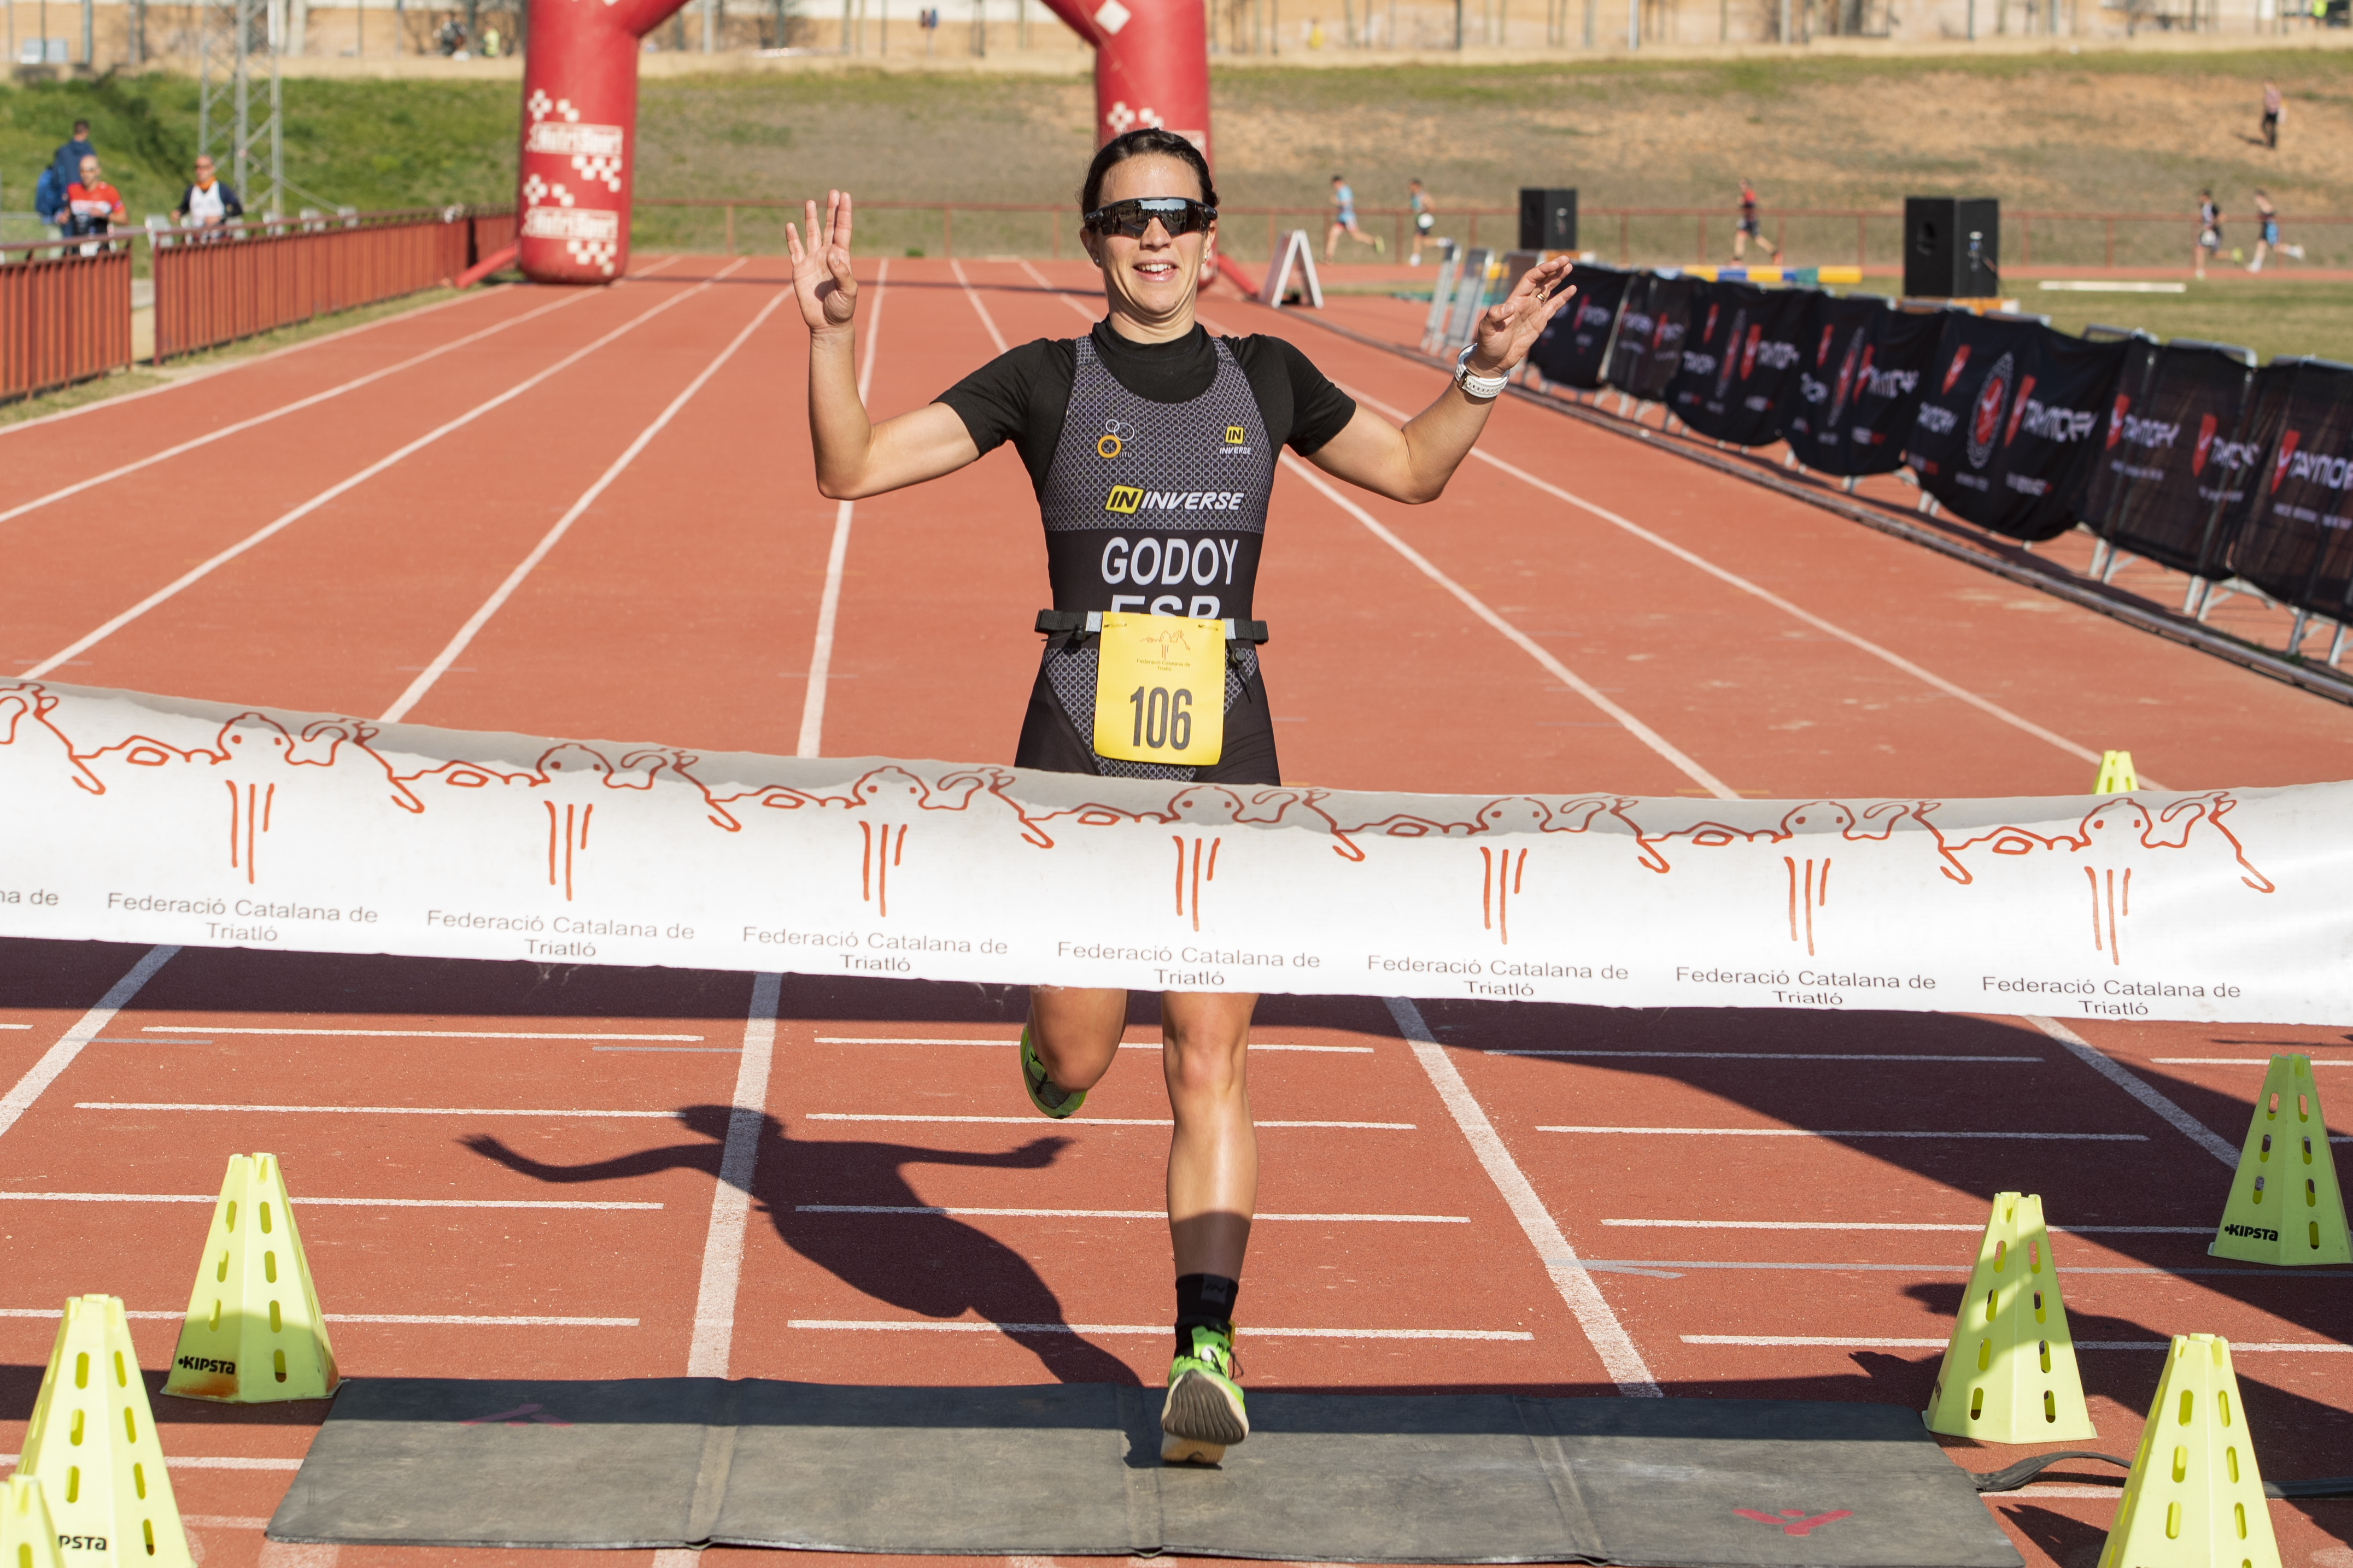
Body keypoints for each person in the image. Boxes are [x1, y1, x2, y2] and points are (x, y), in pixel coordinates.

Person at [785, 127, 1572, 1467]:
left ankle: (1203, 1344)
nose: (1152, 238)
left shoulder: (1265, 375)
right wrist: (827, 338)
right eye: (1124, 219)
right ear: (1091, 242)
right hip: (1078, 749)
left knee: (1208, 1054)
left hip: (1229, 756)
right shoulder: (1043, 380)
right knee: (1085, 1055)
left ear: (1211, 236)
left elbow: (1413, 469)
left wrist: (1483, 375)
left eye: (1175, 215)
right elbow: (849, 465)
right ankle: (1045, 1053)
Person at [173, 154, 244, 233]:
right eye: (197, 167)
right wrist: (178, 212)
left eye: (203, 167)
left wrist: (220, 217)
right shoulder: (191, 190)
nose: (199, 171)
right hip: (197, 239)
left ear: (211, 169)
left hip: (218, 239)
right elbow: (185, 206)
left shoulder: (221, 188)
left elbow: (238, 209)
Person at [62, 154, 124, 240]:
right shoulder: (72, 190)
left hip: (101, 248)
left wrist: (104, 215)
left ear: (98, 171)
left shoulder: (109, 191)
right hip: (78, 247)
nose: (86, 175)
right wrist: (62, 217)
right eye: (82, 171)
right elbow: (67, 212)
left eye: (90, 171)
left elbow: (124, 219)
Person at [1324, 173, 1382, 261]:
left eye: (1334, 184)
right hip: (1341, 219)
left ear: (1338, 182)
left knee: (1356, 237)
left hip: (1348, 219)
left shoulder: (1344, 190)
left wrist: (1336, 201)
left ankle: (1374, 241)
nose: (1333, 186)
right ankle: (1328, 257)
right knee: (1332, 235)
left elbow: (1347, 202)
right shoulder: (1340, 191)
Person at [2247, 189, 2304, 271]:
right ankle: (2256, 266)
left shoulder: (2267, 207)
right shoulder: (2262, 208)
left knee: (2276, 248)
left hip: (2270, 230)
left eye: (2257, 198)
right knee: (2261, 245)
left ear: (2262, 198)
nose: (2256, 200)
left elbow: (2270, 216)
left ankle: (2295, 251)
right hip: (2265, 229)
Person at [1732, 178, 1781, 264]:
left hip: (1751, 221)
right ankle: (1737, 260)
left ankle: (1775, 253)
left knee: (1758, 240)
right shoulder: (1744, 195)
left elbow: (1751, 204)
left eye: (1742, 185)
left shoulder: (1749, 194)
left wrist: (1744, 203)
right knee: (1739, 238)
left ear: (1747, 185)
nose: (1740, 187)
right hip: (1746, 221)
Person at [49, 120, 93, 201]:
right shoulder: (90, 153)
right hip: (85, 197)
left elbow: (57, 174)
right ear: (86, 132)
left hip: (66, 196)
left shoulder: (63, 151)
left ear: (74, 130)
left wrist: (62, 191)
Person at [1407, 177, 1439, 266]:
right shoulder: (1412, 196)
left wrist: (1424, 210)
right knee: (1426, 243)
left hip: (1424, 220)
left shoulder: (1423, 196)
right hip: (1418, 221)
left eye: (1412, 186)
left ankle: (1415, 260)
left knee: (1417, 238)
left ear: (1416, 186)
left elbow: (1433, 206)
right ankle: (1446, 242)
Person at [2194, 189, 2221, 279]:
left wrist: (2212, 225)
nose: (2200, 198)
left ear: (2205, 196)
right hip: (2207, 232)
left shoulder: (2212, 207)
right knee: (2200, 248)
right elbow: (2205, 218)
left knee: (2214, 255)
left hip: (2213, 233)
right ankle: (2200, 270)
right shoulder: (2204, 207)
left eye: (2201, 196)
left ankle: (2200, 270)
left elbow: (2222, 217)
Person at [2260, 80, 2284, 149]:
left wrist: (2270, 104)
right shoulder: (2267, 93)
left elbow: (2277, 102)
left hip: (2274, 112)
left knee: (2273, 128)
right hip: (2268, 111)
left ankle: (2273, 143)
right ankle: (2269, 139)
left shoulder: (2276, 93)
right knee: (2263, 125)